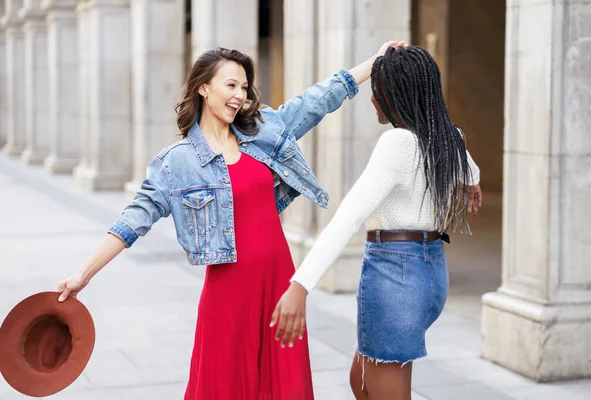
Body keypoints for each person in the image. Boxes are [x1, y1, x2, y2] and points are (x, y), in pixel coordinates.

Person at [56, 43, 403, 400]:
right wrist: (84, 273)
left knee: (284, 382)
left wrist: (372, 62)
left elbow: (319, 99)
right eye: (231, 85)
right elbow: (133, 220)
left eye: (244, 87)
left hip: (279, 281)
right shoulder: (177, 162)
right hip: (228, 292)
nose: (240, 96)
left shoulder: (263, 132)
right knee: (224, 384)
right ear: (204, 88)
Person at [271, 45, 483, 399]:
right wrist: (471, 182)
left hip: (395, 276)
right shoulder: (449, 137)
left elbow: (348, 216)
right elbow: (471, 170)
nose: (372, 101)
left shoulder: (397, 144)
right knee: (362, 382)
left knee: (382, 389)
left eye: (377, 91)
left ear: (393, 94)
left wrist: (300, 285)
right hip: (430, 275)